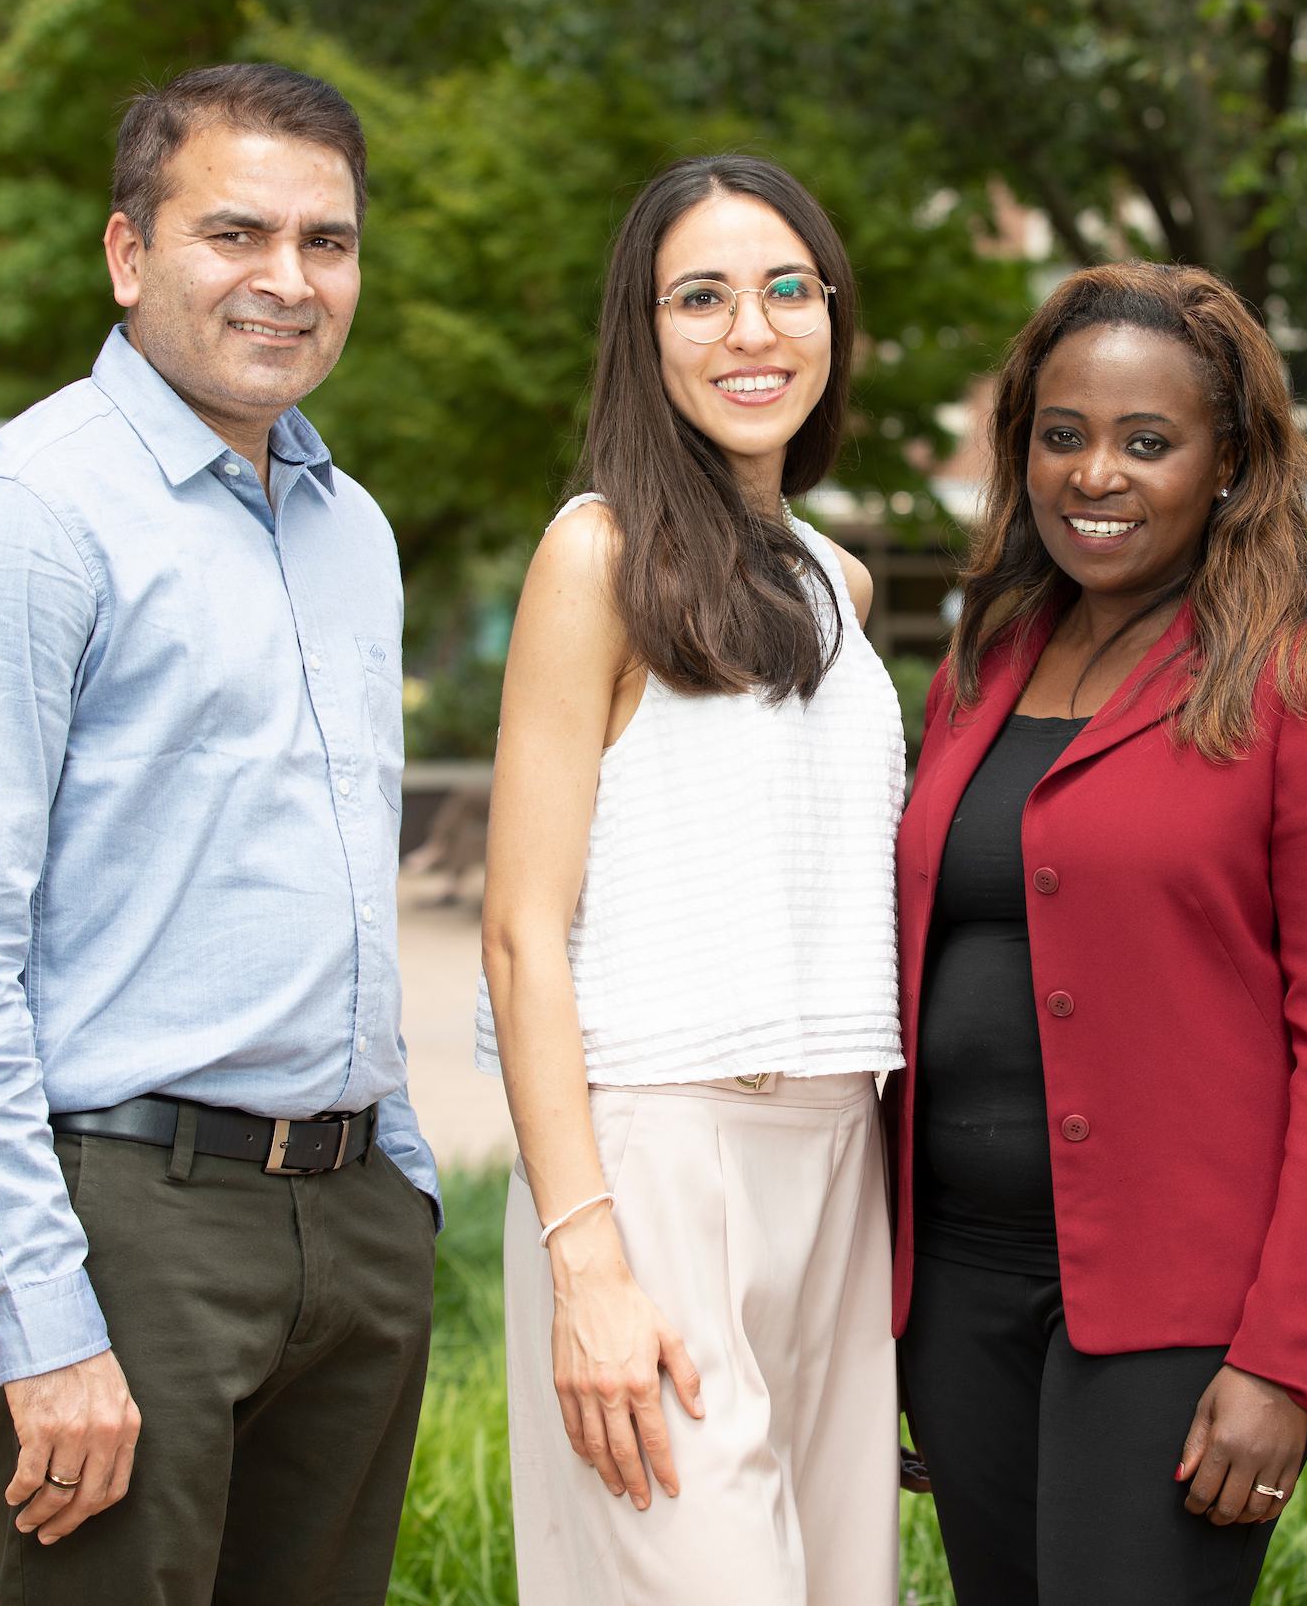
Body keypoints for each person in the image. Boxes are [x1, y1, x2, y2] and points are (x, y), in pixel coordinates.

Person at [0, 63, 440, 1605]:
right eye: (236, 233)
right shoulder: (25, 518)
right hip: (124, 1225)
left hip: (352, 1223)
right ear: (129, 255)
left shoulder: (353, 527)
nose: (288, 280)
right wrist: (39, 1322)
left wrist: (399, 1176)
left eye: (328, 243)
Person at [891, 262, 1307, 1606]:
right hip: (959, 1286)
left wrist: (1290, 1362)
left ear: (1230, 463)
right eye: (1061, 436)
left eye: (1148, 442)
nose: (1096, 476)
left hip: (1181, 1316)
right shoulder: (981, 666)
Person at [474, 154, 905, 1605]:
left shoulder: (837, 583)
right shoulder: (595, 555)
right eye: (703, 297)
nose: (753, 331)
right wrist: (586, 1257)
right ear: (644, 333)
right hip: (660, 1159)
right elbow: (524, 934)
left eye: (789, 290)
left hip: (841, 1158)